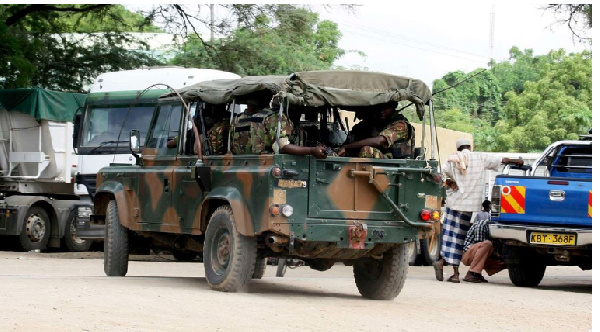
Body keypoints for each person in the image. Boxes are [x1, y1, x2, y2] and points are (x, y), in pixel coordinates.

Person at [433, 138, 523, 283]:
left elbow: (438, 176)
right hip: (469, 206)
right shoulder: (480, 157)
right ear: (470, 146)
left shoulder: (452, 159)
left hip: (453, 203)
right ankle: (450, 271)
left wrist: (451, 184)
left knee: (451, 238)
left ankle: (448, 268)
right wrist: (517, 161)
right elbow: (502, 159)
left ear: (458, 148)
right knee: (459, 238)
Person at [209, 96, 327, 158]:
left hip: (243, 164)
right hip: (269, 163)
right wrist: (312, 151)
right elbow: (283, 146)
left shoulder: (236, 120)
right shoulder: (273, 117)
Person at [337, 102, 412, 159]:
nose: (382, 111)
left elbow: (379, 140)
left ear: (393, 107)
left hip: (395, 163)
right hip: (382, 160)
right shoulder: (376, 123)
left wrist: (347, 147)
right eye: (380, 108)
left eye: (386, 108)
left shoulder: (401, 125)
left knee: (367, 150)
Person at [461, 200, 506, 283]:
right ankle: (472, 273)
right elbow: (480, 245)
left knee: (505, 261)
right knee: (487, 244)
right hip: (468, 255)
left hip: (481, 253)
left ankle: (477, 274)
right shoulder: (481, 225)